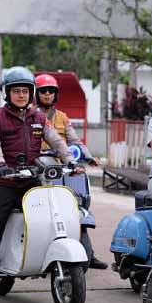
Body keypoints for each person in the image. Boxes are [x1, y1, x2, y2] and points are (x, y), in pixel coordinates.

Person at [0, 66, 78, 303]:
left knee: (51, 217)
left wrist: (70, 159)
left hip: (32, 180)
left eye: (25, 91)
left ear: (31, 93)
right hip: (4, 182)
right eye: (16, 91)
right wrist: (0, 165)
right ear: (7, 93)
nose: (21, 95)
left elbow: (56, 140)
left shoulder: (39, 118)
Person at [34, 73, 106, 269]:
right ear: (36, 94)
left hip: (63, 170)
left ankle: (87, 252)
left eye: (51, 91)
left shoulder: (63, 118)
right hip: (38, 170)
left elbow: (74, 141)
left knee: (77, 204)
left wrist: (89, 156)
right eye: (43, 91)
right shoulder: (30, 115)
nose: (47, 94)